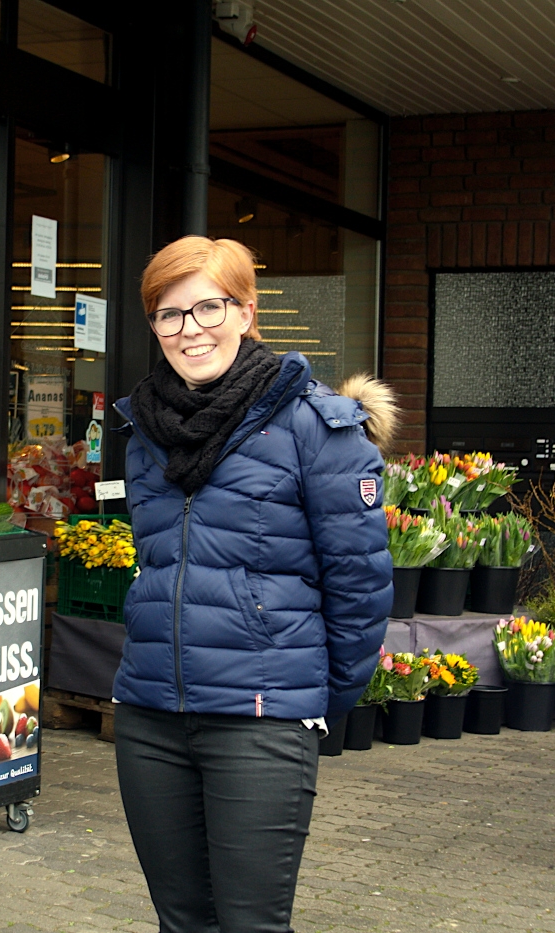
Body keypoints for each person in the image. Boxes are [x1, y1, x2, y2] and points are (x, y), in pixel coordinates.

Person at [112, 236, 395, 933]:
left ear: (246, 311)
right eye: (168, 314)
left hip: (260, 716)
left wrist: (314, 698)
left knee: (251, 924)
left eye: (208, 306)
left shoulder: (314, 425)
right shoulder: (146, 432)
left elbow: (360, 583)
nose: (190, 329)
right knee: (182, 922)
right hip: (150, 710)